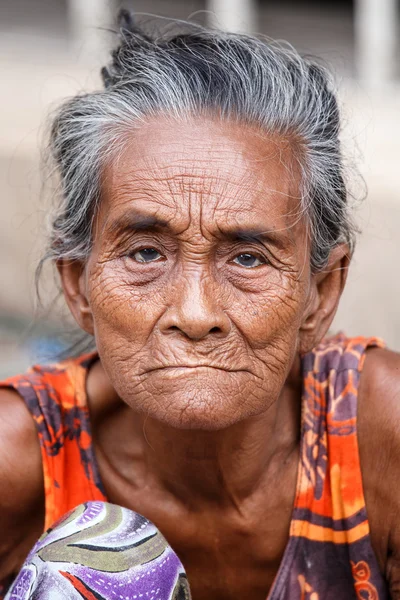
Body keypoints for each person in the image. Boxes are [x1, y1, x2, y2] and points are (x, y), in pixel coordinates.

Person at [1, 9, 399, 600]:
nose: (193, 312)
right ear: (79, 285)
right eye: (144, 254)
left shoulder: (381, 441)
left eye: (247, 258)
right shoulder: (16, 465)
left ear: (322, 292)